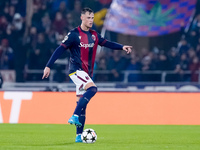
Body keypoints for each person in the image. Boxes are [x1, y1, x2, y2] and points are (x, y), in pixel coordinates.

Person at [42, 7, 132, 143]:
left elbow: (107, 43)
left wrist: (121, 47)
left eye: (92, 18)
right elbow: (60, 49)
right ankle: (74, 115)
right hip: (76, 70)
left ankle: (79, 136)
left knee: (83, 105)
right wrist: (48, 65)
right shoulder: (73, 34)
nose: (91, 20)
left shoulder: (94, 35)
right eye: (88, 17)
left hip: (87, 73)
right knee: (93, 89)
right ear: (82, 18)